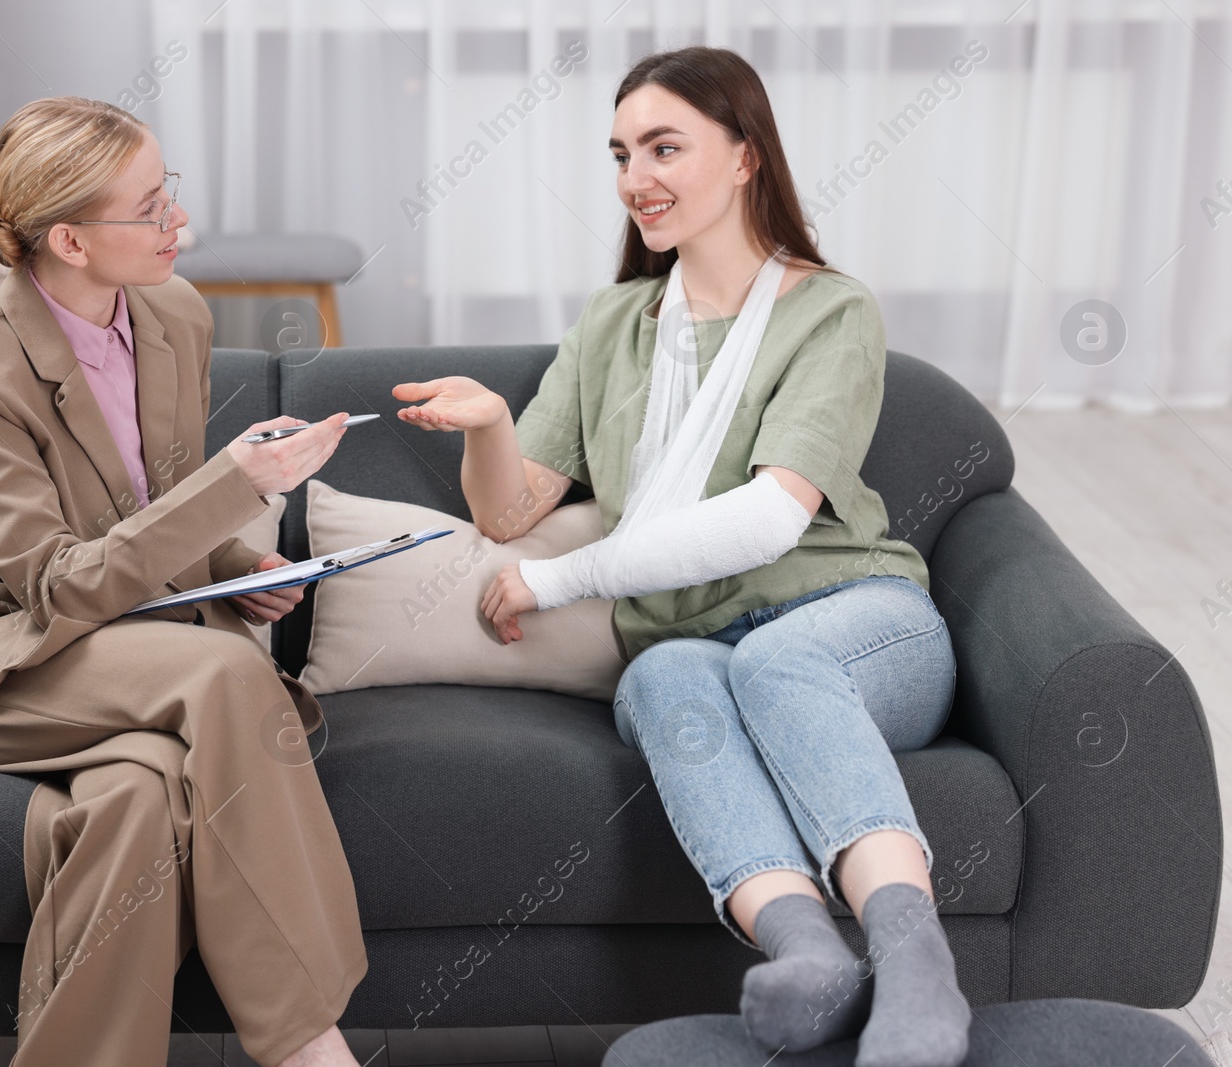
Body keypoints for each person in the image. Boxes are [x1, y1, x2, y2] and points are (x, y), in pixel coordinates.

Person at [393, 48, 969, 1067]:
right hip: (687, 636)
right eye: (620, 153)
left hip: (854, 618)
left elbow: (769, 518)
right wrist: (488, 425)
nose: (634, 178)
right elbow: (514, 508)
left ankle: (917, 962)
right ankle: (807, 953)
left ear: (745, 156)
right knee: (662, 673)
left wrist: (561, 580)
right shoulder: (616, 322)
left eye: (665, 147)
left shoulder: (830, 310)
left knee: (774, 660)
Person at [0, 96, 368, 1067]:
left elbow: (140, 521)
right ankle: (310, 1045)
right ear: (68, 237)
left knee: (137, 794)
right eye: (150, 207)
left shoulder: (174, 316)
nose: (178, 226)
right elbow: (55, 586)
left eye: (171, 195)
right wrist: (237, 485)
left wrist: (237, 568)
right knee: (227, 676)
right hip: (7, 659)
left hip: (126, 651)